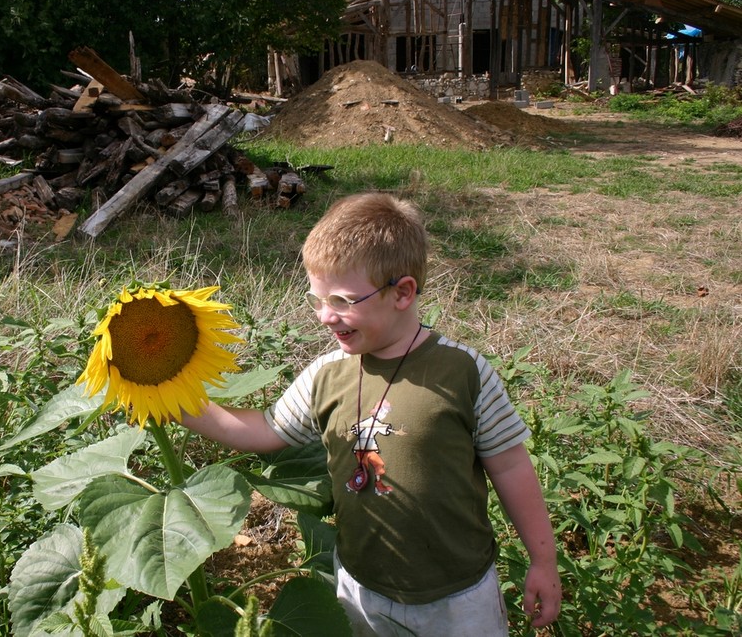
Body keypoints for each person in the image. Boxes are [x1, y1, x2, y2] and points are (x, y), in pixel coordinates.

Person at [182, 191, 561, 636]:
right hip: (361, 586)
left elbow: (511, 465)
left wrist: (543, 560)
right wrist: (177, 404)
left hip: (458, 596)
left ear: (402, 293)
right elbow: (265, 430)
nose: (325, 317)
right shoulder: (327, 374)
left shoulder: (462, 372)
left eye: (342, 301)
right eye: (317, 300)